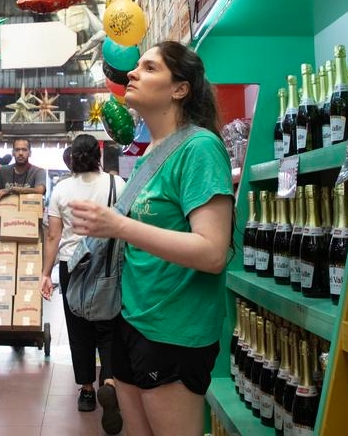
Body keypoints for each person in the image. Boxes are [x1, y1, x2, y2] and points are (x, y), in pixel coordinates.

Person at [69, 41, 234, 436]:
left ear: (180, 89)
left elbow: (213, 252)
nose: (132, 73)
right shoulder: (149, 155)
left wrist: (118, 226)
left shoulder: (200, 149)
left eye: (149, 68)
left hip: (174, 328)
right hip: (131, 318)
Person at [41, 134, 126, 435]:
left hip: (71, 266)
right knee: (109, 325)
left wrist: (44, 274)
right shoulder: (118, 185)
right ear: (99, 155)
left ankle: (88, 391)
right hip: (107, 265)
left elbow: (53, 236)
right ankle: (111, 382)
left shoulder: (61, 190)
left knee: (79, 330)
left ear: (72, 158)